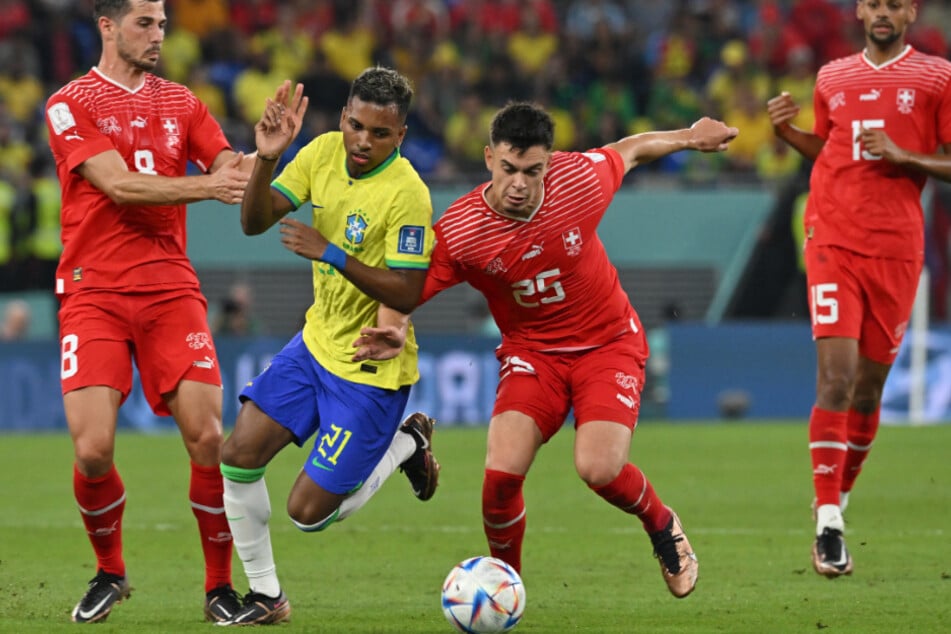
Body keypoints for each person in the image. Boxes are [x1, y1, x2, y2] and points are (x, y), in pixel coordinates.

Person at [359, 102, 738, 599]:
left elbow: (631, 149)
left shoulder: (578, 181)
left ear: (549, 163)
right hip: (532, 354)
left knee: (598, 469)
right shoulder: (462, 230)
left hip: (608, 345)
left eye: (532, 171)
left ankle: (662, 524)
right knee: (498, 479)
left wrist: (690, 136)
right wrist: (392, 325)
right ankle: (504, 589)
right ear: (489, 157)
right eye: (509, 169)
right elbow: (408, 288)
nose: (519, 183)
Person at [43, 0, 287, 623]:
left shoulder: (180, 101)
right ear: (107, 25)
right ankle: (110, 572)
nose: (158, 35)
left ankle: (217, 589)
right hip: (93, 289)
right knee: (94, 448)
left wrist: (262, 157)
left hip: (170, 288)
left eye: (162, 25)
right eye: (144, 24)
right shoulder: (69, 102)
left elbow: (225, 163)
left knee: (208, 438)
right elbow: (119, 184)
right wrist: (208, 185)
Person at [217, 66, 440, 626]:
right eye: (356, 126)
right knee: (238, 456)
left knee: (308, 516)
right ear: (343, 117)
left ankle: (407, 445)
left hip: (370, 369)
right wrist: (266, 158)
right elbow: (253, 223)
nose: (363, 142)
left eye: (380, 133)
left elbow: (409, 288)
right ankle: (266, 598)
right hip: (315, 346)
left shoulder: (408, 195)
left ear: (401, 136)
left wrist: (332, 252)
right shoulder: (320, 153)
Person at [767, 0, 951, 578]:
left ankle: (838, 496)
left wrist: (904, 156)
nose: (881, 13)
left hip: (896, 248)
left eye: (893, 5)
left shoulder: (936, 77)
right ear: (859, 10)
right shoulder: (832, 76)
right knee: (837, 377)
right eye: (873, 3)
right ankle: (828, 523)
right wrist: (786, 132)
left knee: (868, 391)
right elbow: (833, 153)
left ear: (910, 12)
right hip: (832, 239)